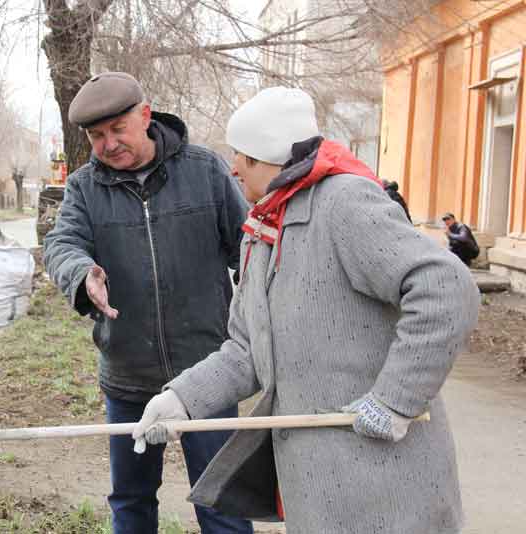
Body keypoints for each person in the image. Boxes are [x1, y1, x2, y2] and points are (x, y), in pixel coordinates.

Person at [132, 87, 480, 534]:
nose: (234, 168)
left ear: (275, 159)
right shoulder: (262, 230)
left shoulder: (345, 204)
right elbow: (245, 350)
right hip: (318, 491)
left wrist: (396, 400)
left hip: (386, 490)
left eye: (247, 158)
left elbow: (446, 289)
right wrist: (179, 399)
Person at [43, 72, 253, 534]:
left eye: (118, 129)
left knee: (222, 502)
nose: (109, 144)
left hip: (207, 373)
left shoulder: (206, 170)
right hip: (128, 377)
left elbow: (250, 251)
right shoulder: (83, 187)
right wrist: (82, 272)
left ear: (145, 115)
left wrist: (260, 324)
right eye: (97, 136)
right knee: (131, 502)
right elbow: (61, 244)